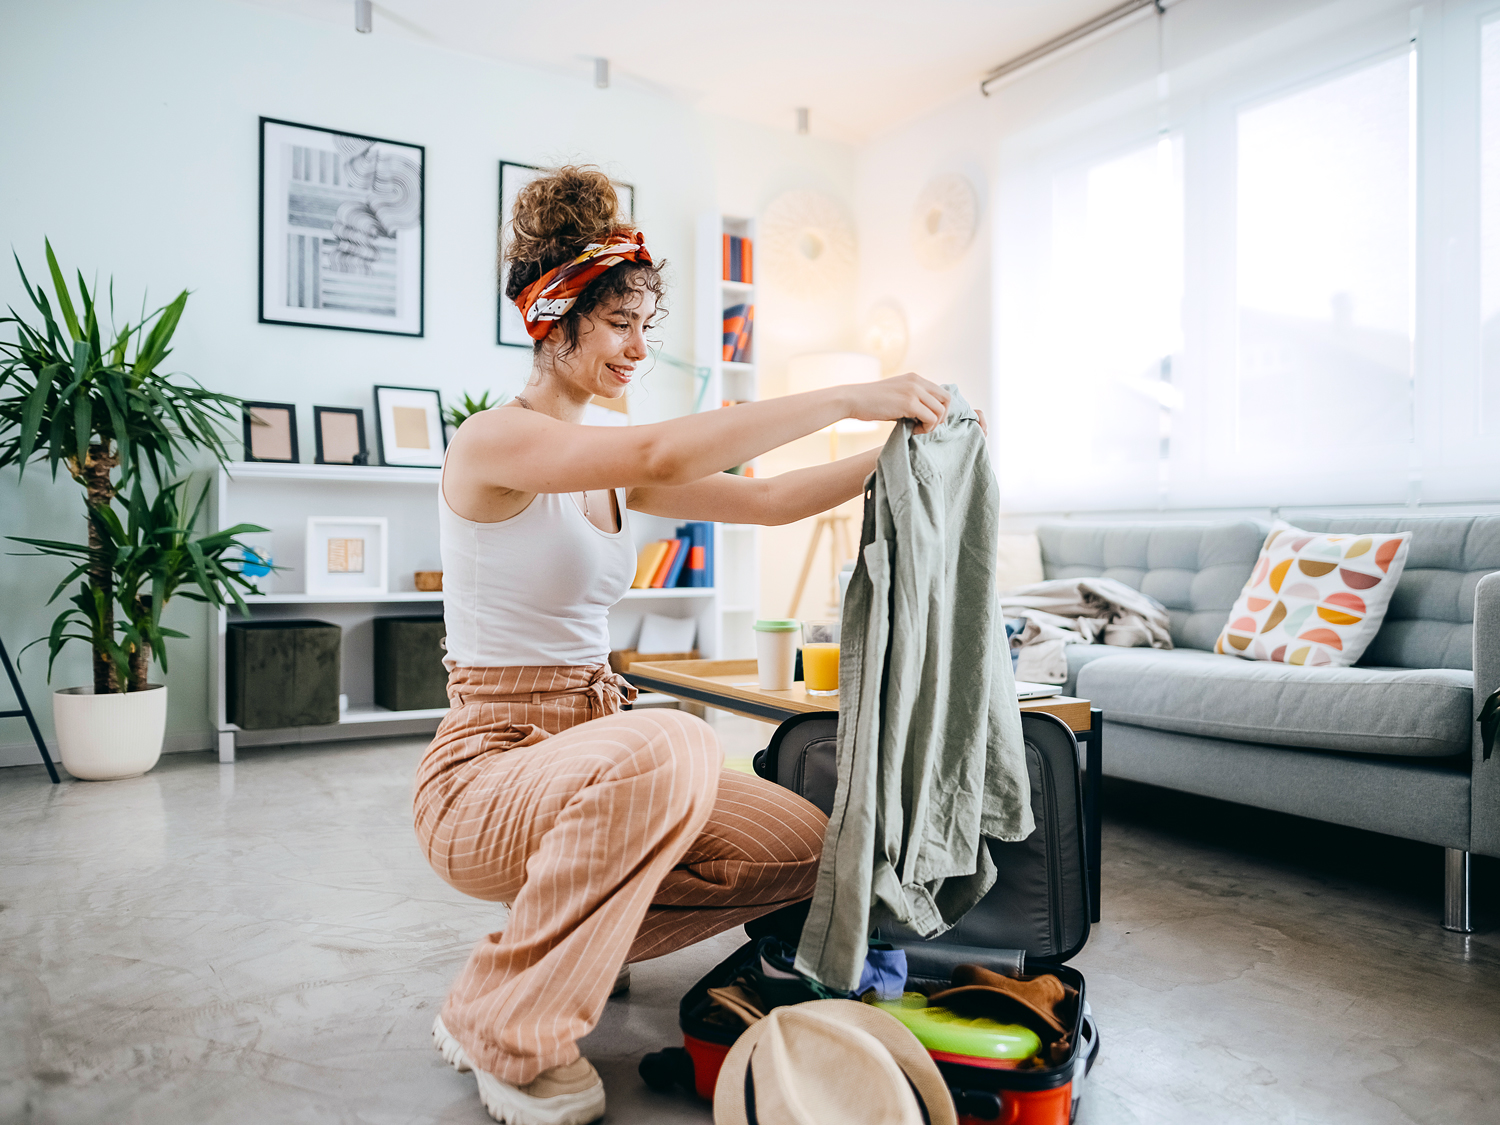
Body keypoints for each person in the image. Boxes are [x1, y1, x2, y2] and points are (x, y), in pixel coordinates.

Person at [413, 165, 953, 1125]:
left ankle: (536, 945)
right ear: (554, 316)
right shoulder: (493, 443)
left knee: (822, 855)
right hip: (488, 773)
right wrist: (855, 393)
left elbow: (762, 498)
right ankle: (503, 1022)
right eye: (618, 322)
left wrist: (907, 450)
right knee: (676, 740)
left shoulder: (610, 465)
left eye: (642, 325)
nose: (635, 348)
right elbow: (664, 452)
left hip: (598, 747)